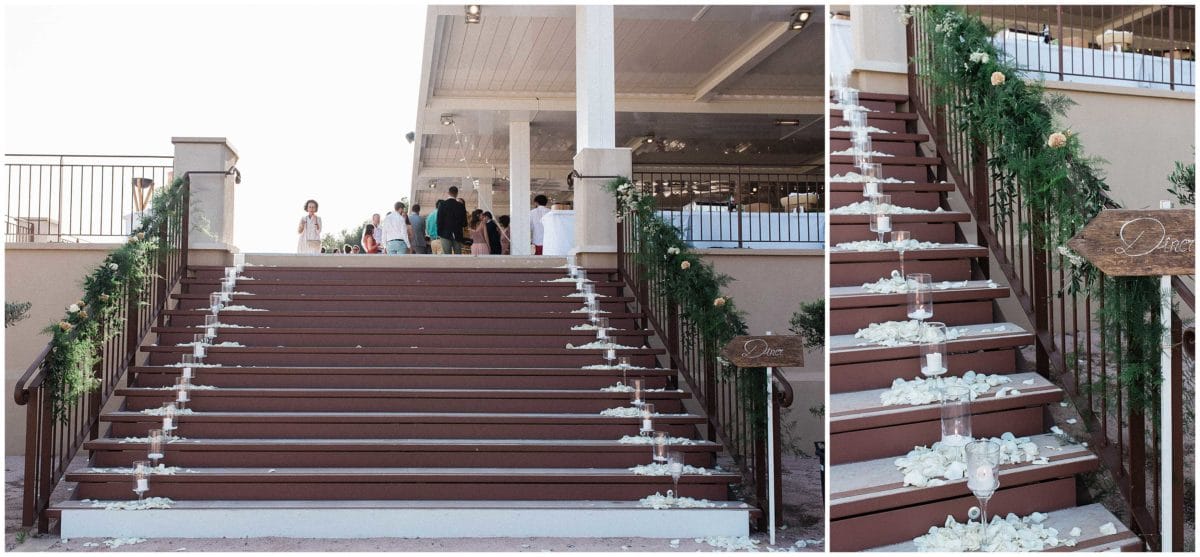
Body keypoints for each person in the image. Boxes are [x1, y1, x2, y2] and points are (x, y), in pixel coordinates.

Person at [436, 186, 467, 255]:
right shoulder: (461, 206)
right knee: (458, 256)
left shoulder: (442, 205)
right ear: (457, 194)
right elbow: (465, 223)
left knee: (447, 256)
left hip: (445, 234)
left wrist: (439, 233)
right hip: (458, 234)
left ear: (448, 193)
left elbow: (439, 221)